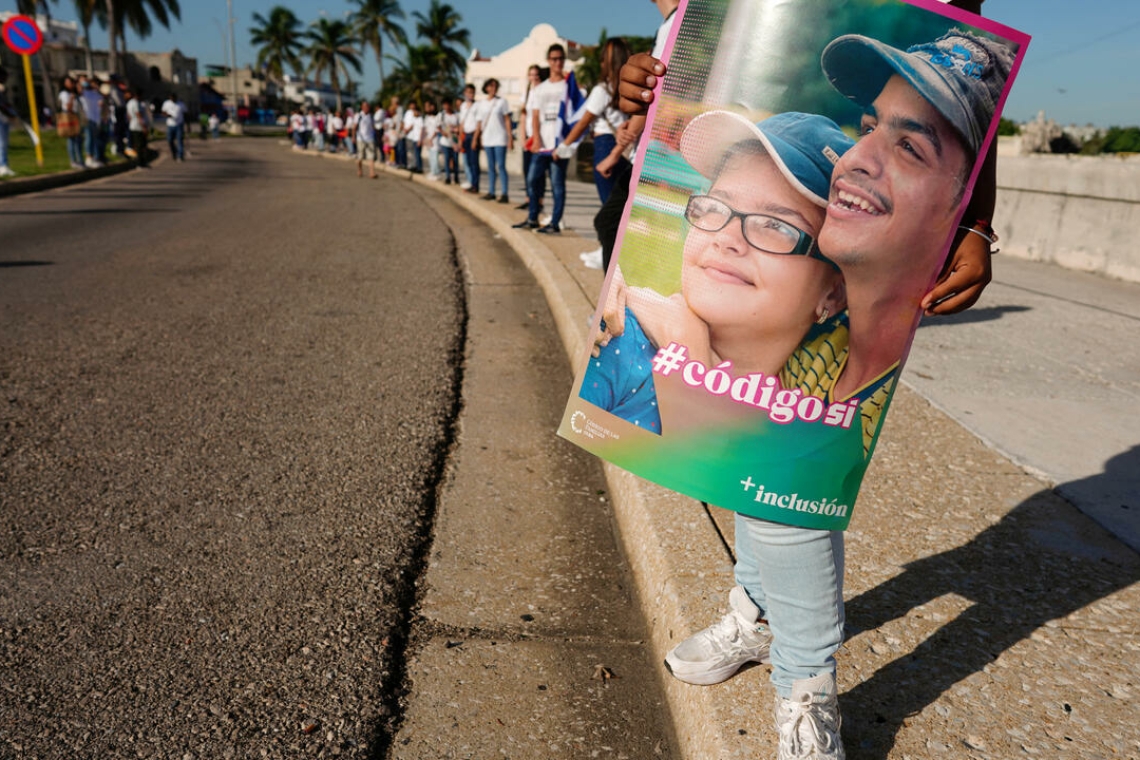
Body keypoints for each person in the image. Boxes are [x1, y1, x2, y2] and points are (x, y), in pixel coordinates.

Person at [610, 23, 1012, 760]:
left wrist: (976, 223)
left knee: (791, 496)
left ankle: (805, 684)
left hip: (834, 347)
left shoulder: (830, 330)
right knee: (762, 488)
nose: (731, 235)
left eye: (772, 222)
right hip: (762, 356)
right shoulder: (662, 327)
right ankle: (758, 618)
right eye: (869, 128)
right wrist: (647, 78)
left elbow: (974, 106)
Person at [581, 111, 850, 437]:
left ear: (834, 294)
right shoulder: (618, 345)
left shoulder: (818, 419)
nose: (726, 238)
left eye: (776, 226)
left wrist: (693, 364)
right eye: (716, 206)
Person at [513, 43, 580, 235]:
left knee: (557, 184)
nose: (557, 62)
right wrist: (536, 139)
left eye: (560, 58)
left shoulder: (569, 87)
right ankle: (533, 217)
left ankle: (555, 223)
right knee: (532, 179)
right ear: (549, 61)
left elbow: (576, 117)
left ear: (564, 60)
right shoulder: (540, 89)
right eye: (554, 59)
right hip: (542, 144)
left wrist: (566, 144)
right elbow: (535, 116)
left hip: (559, 145)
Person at [562, 38, 632, 205]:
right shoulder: (629, 89)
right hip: (625, 147)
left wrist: (564, 145)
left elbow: (584, 122)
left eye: (602, 60)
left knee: (608, 205)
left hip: (605, 144)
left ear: (607, 63)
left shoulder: (602, 90)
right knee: (620, 205)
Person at [475, 78, 513, 202]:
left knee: (501, 165)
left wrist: (510, 137)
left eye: (495, 86)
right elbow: (479, 122)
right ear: (486, 88)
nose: (493, 88)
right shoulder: (481, 104)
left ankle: (504, 193)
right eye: (491, 86)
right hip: (487, 137)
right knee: (490, 166)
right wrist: (477, 137)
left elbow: (507, 119)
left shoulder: (502, 102)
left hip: (500, 137)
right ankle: (491, 191)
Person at [57, 76, 84, 170]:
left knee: (78, 139)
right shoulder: (64, 94)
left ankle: (80, 160)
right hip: (69, 117)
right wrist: (72, 98)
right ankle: (73, 161)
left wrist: (78, 85)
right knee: (72, 139)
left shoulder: (73, 93)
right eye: (69, 82)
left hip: (75, 116)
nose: (71, 84)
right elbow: (68, 107)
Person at [79, 75, 105, 167]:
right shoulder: (85, 92)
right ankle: (88, 158)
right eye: (95, 84)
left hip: (96, 119)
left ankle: (94, 157)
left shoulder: (97, 94)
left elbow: (101, 105)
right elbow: (79, 88)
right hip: (88, 118)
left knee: (94, 139)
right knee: (89, 138)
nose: (96, 85)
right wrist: (83, 81)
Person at [459, 84, 480, 192]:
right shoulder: (463, 106)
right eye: (468, 92)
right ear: (465, 93)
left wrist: (475, 139)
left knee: (474, 162)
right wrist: (459, 139)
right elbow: (462, 123)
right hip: (465, 135)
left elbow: (478, 124)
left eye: (472, 92)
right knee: (467, 162)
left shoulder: (477, 105)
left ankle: (475, 185)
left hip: (473, 134)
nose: (470, 94)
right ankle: (470, 182)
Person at [0, 66, 20, 178]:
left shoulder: (3, 89)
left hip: (4, 119)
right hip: (1, 119)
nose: (6, 78)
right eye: (4, 76)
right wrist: (10, 114)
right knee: (2, 143)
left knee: (3, 143)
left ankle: (4, 164)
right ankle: (3, 166)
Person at [125, 88, 151, 169]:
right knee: (141, 146)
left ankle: (142, 162)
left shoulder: (129, 103)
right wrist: (144, 127)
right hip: (138, 127)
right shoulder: (136, 103)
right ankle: (140, 163)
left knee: (139, 145)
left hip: (133, 125)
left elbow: (128, 115)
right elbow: (138, 115)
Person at [354, 99, 379, 179]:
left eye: (367, 106)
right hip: (360, 138)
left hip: (370, 139)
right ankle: (359, 169)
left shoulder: (371, 116)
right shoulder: (358, 116)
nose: (366, 108)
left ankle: (372, 172)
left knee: (371, 156)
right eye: (364, 106)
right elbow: (354, 127)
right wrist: (353, 137)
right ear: (361, 107)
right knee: (360, 157)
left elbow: (373, 127)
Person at [439, 98, 461, 184]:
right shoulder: (441, 115)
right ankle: (448, 176)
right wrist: (443, 132)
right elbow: (438, 126)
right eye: (444, 105)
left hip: (455, 140)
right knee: (447, 159)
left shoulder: (456, 115)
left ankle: (456, 176)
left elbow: (460, 126)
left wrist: (455, 130)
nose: (446, 107)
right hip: (446, 141)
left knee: (455, 160)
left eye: (448, 104)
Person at [161, 92, 186, 161]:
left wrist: (188, 125)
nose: (173, 99)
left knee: (180, 140)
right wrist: (167, 115)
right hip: (170, 124)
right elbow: (163, 112)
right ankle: (174, 152)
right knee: (170, 140)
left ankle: (180, 155)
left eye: (174, 98)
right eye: (171, 98)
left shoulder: (181, 104)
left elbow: (185, 113)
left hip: (179, 124)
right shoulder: (166, 103)